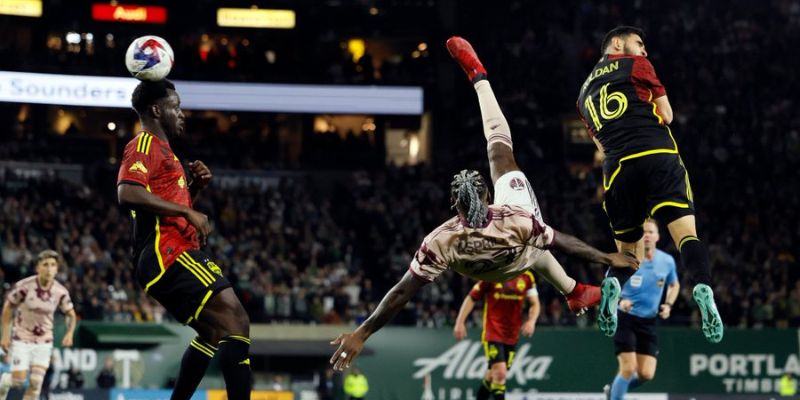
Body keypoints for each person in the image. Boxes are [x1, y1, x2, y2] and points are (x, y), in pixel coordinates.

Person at [328, 37, 639, 371]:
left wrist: (362, 333)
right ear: (488, 196)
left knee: (534, 240)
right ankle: (479, 77)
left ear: (452, 203)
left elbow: (402, 292)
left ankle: (574, 290)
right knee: (502, 157)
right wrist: (608, 257)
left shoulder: (440, 240)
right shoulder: (515, 218)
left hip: (492, 268)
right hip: (520, 251)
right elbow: (563, 241)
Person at [575, 26, 723, 342]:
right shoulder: (637, 65)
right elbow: (666, 114)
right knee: (687, 237)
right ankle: (702, 285)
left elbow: (599, 148)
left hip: (616, 171)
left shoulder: (583, 95)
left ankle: (613, 283)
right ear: (617, 43)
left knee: (629, 256)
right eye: (639, 43)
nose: (644, 50)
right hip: (657, 154)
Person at [116, 79, 251, 400]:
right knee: (237, 320)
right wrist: (189, 213)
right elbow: (127, 192)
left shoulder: (168, 154)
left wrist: (195, 190)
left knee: (213, 331)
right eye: (175, 107)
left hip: (163, 255)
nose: (182, 113)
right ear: (156, 110)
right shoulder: (144, 144)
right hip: (169, 253)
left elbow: (161, 209)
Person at [602, 220, 679, 399]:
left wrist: (668, 304)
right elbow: (608, 285)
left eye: (651, 232)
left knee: (646, 373)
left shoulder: (667, 261)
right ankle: (615, 395)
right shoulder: (627, 258)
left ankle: (612, 389)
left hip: (649, 322)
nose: (647, 235)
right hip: (625, 318)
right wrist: (620, 301)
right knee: (628, 368)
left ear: (657, 236)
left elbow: (674, 284)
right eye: (643, 232)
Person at [0, 250, 76, 400]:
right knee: (18, 381)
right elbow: (9, 307)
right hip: (22, 338)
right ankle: (4, 382)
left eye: (53, 265)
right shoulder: (25, 286)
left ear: (57, 268)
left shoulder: (60, 292)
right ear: (38, 268)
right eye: (45, 265)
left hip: (44, 341)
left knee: (36, 382)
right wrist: (5, 335)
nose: (49, 269)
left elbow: (71, 315)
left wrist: (70, 333)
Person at [453, 272, 539, 400]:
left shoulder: (527, 276)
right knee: (500, 373)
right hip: (493, 332)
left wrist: (532, 321)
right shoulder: (493, 273)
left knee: (491, 375)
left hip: (512, 334)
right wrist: (460, 322)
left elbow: (535, 303)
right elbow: (472, 297)